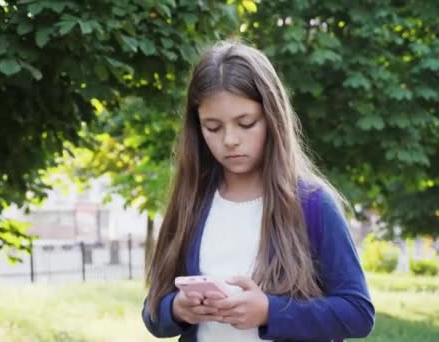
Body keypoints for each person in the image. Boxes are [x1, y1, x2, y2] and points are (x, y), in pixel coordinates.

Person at [141, 40, 375, 341]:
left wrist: (270, 311)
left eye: (246, 123)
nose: (229, 140)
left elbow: (358, 314)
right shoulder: (191, 202)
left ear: (272, 119)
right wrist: (177, 309)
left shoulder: (312, 203)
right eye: (212, 127)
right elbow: (152, 313)